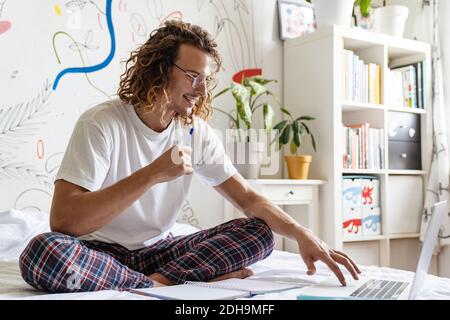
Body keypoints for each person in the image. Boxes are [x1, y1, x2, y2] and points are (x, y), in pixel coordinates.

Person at [19, 20, 360, 293]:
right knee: (42, 252)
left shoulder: (196, 132)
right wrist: (154, 172)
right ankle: (161, 283)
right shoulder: (102, 123)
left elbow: (249, 199)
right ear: (159, 69)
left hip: (161, 252)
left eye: (207, 80)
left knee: (259, 232)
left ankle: (158, 282)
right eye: (194, 76)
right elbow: (63, 221)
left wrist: (302, 233)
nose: (203, 90)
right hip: (101, 252)